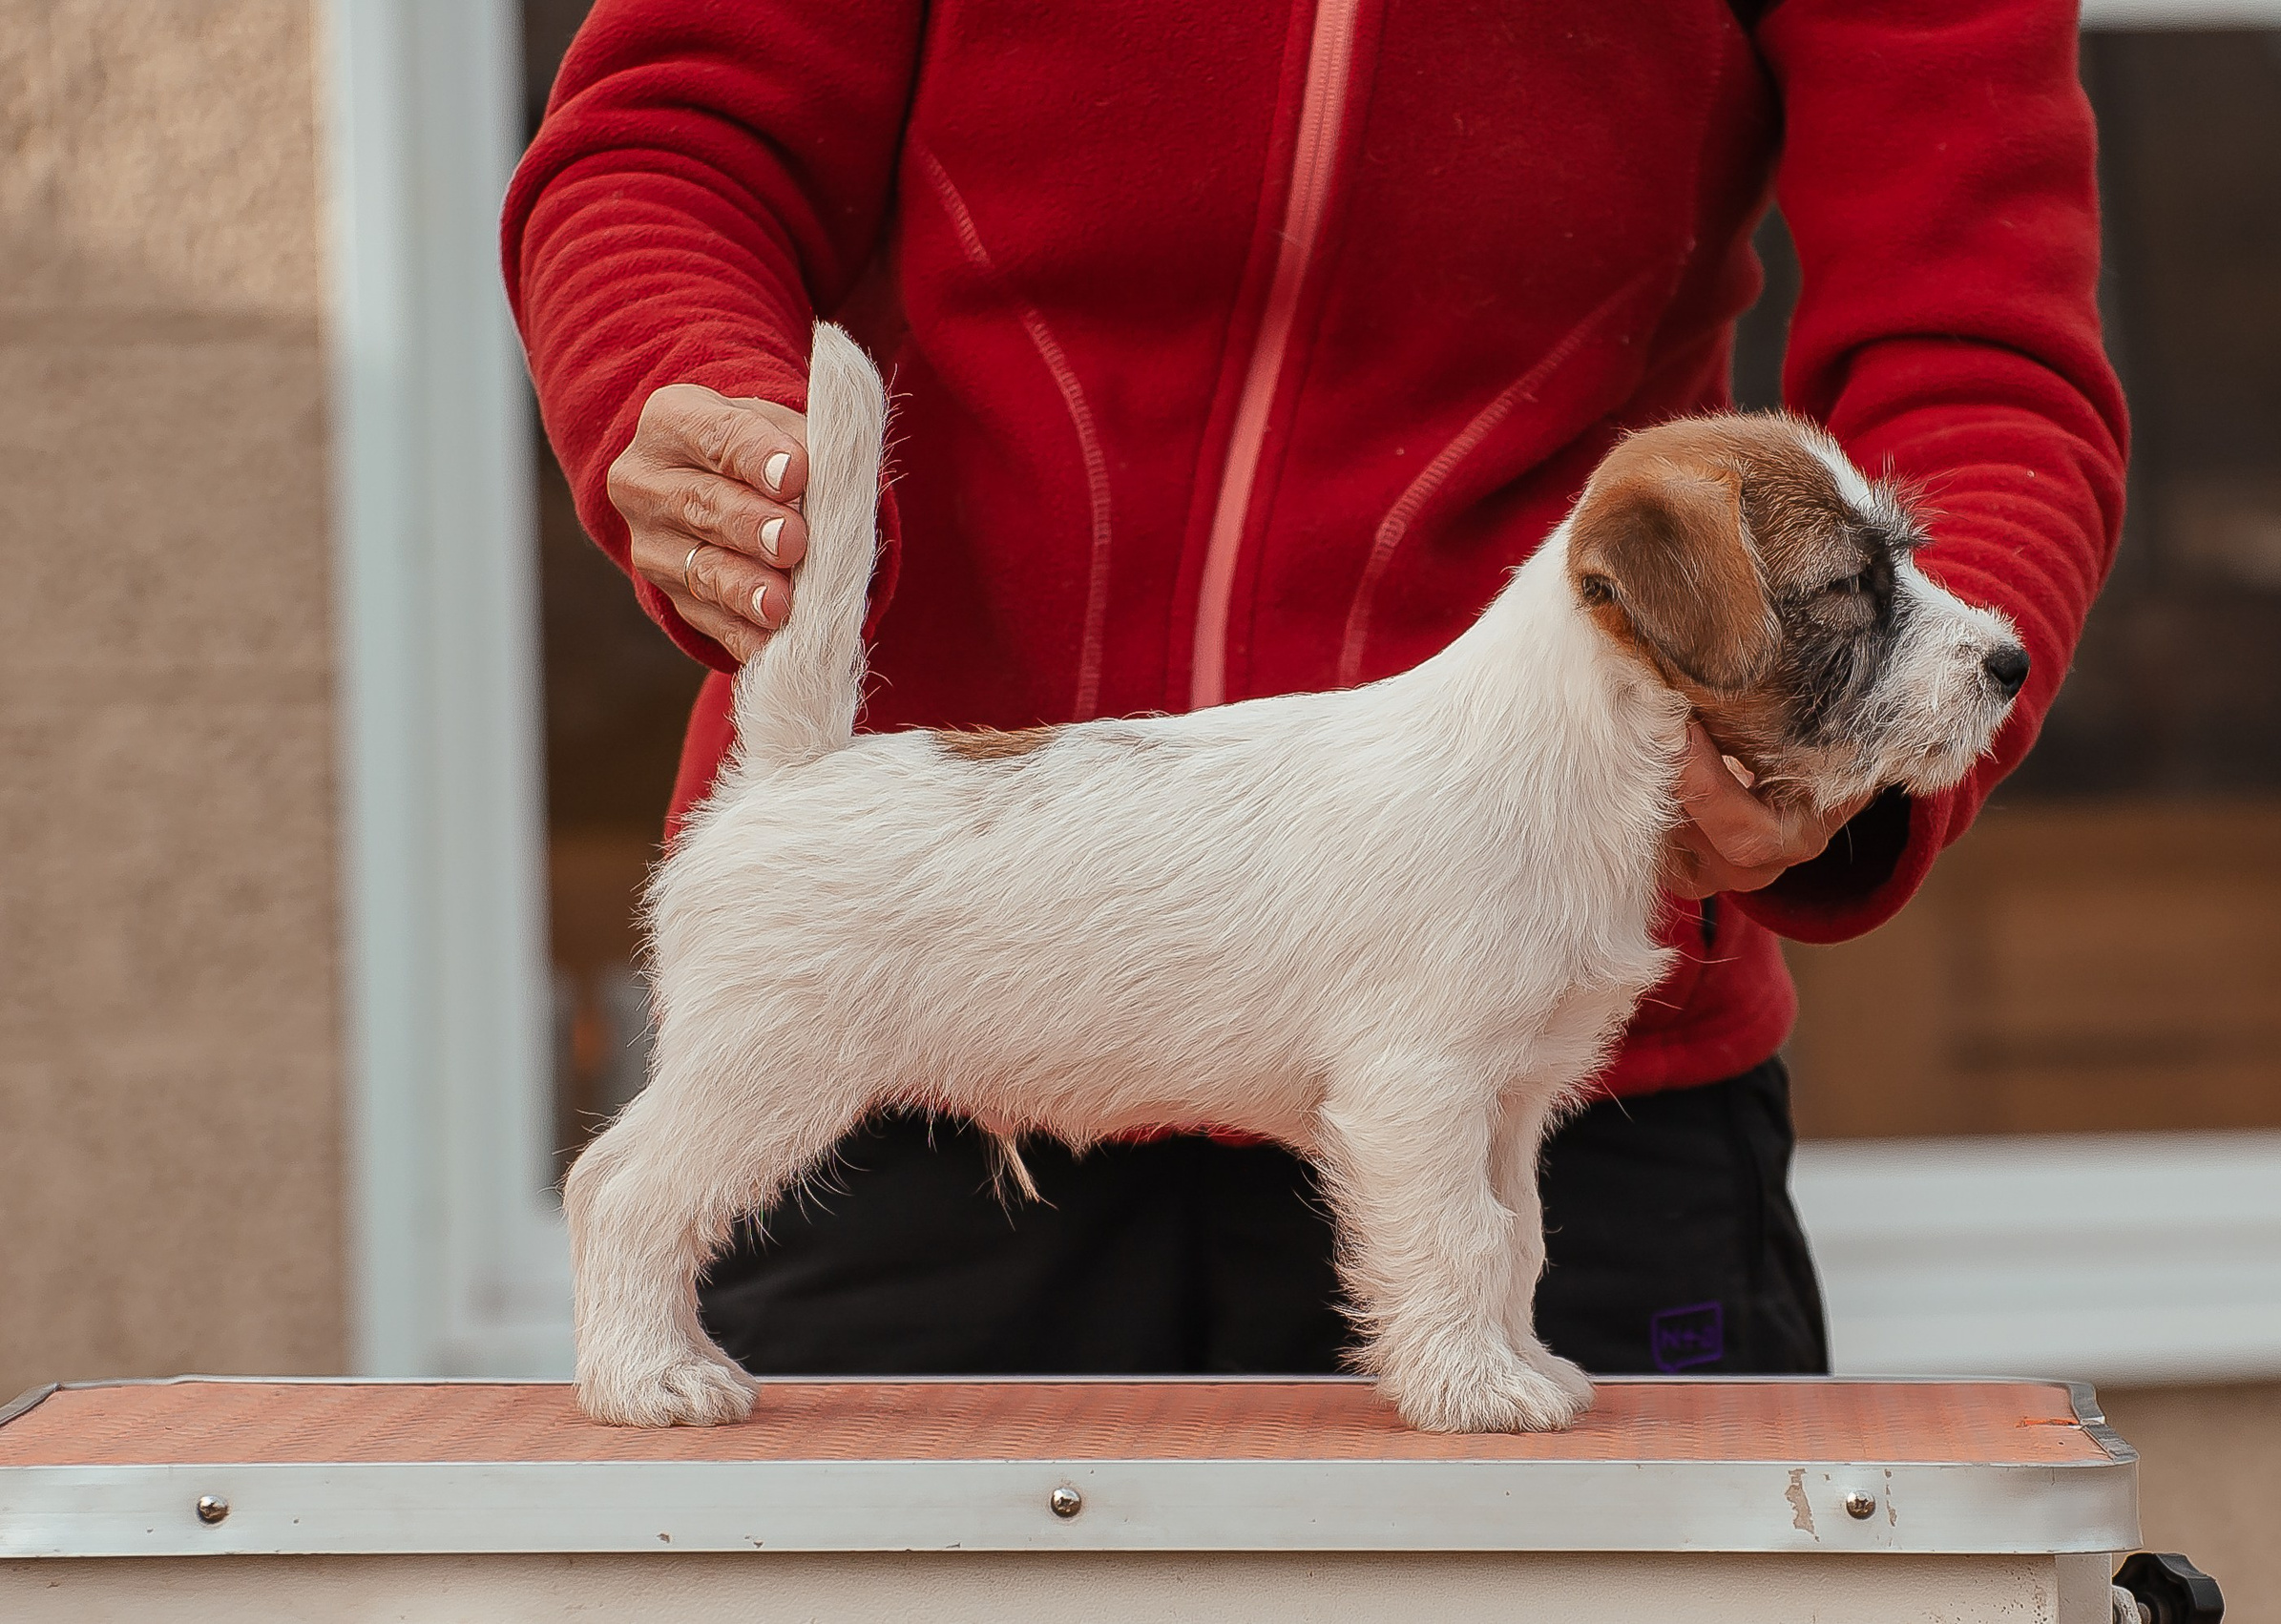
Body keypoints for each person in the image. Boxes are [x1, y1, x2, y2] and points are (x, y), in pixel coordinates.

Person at [503, 0, 2124, 1380]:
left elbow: (1980, 347)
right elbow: (671, 133)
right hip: (942, 990)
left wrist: (1830, 761)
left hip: (1596, 1091)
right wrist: (689, 394)